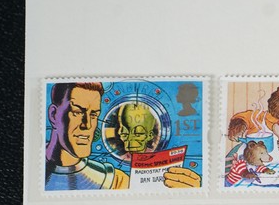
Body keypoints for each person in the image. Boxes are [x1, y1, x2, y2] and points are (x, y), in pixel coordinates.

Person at [45, 81, 200, 190]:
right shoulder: (34, 169)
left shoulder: (115, 181)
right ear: (53, 115)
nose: (87, 125)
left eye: (93, 115)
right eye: (77, 112)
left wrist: (191, 191)